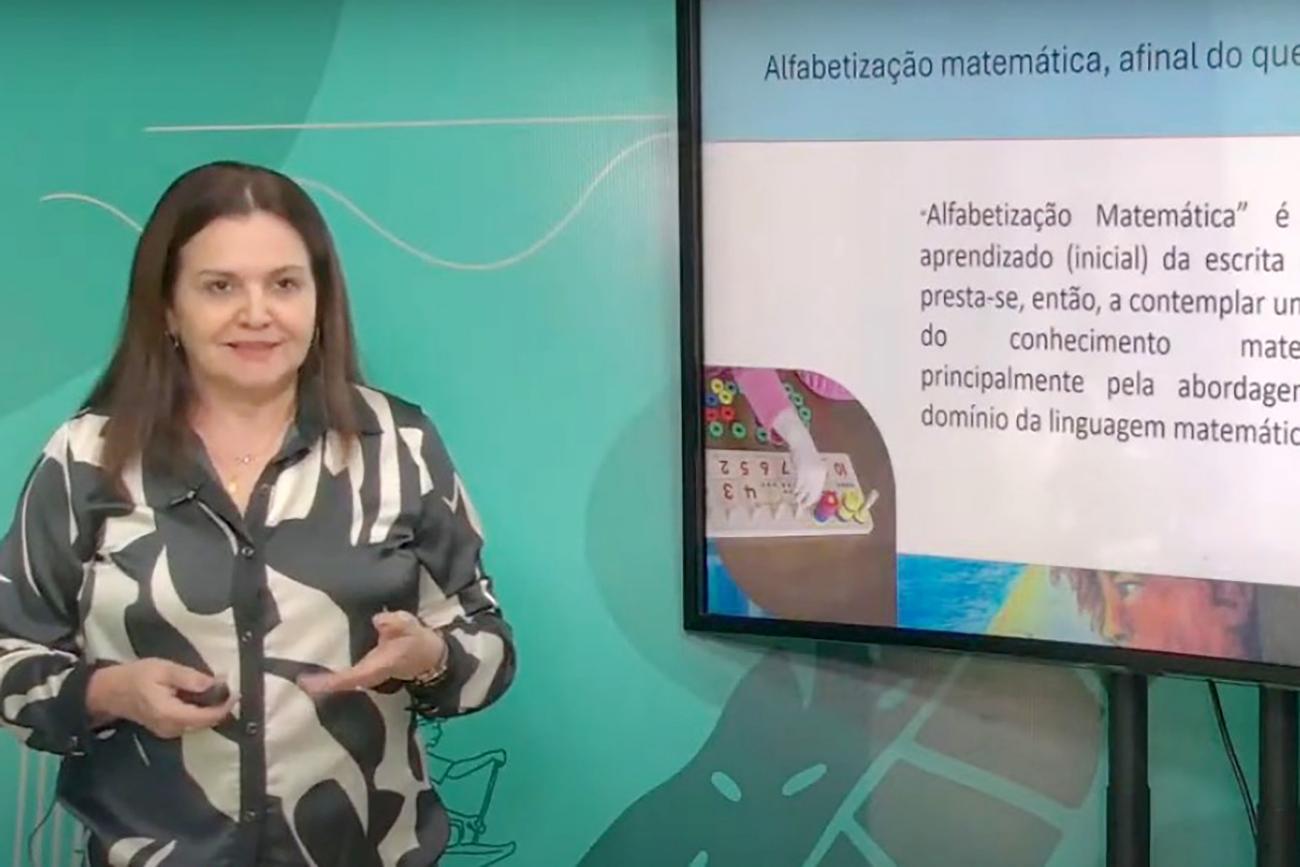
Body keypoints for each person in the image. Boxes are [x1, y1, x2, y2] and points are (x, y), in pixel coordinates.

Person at [0, 161, 516, 865]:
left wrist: (430, 658)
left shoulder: (401, 446)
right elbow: (10, 653)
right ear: (168, 308)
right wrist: (110, 691)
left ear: (320, 300)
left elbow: (488, 645)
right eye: (220, 286)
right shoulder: (87, 457)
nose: (257, 313)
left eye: (284, 284)